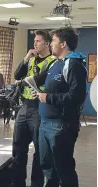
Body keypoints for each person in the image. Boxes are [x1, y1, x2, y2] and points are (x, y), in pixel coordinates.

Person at [31, 27, 87, 187]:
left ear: (63, 44)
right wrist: (42, 95)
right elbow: (52, 89)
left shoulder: (74, 65)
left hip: (61, 125)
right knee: (47, 167)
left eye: (53, 41)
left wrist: (47, 98)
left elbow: (76, 97)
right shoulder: (55, 64)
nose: (51, 45)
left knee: (63, 169)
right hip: (45, 123)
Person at [12, 30, 56, 187]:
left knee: (39, 150)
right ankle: (17, 182)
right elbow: (17, 75)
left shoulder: (52, 61)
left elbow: (36, 79)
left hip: (39, 109)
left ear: (46, 44)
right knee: (18, 147)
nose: (35, 44)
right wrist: (25, 58)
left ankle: (36, 183)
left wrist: (24, 82)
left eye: (38, 41)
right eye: (34, 41)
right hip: (24, 107)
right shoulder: (30, 60)